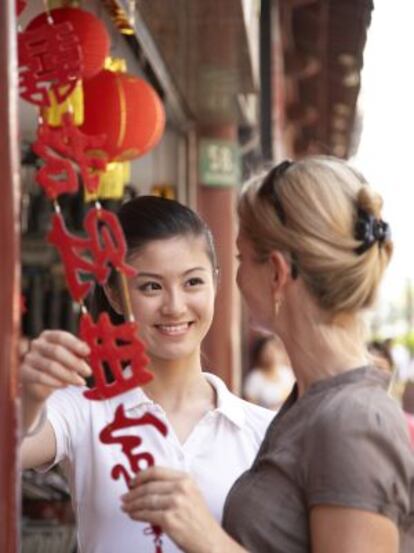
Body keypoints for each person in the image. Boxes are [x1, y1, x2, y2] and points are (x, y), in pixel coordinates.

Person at [121, 156, 414, 553]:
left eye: (241, 258)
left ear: (276, 273)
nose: (237, 278)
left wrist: (208, 540)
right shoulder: (312, 405)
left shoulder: (352, 420)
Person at [20, 196, 274, 553]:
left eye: (192, 283)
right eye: (150, 286)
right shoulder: (85, 411)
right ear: (115, 294)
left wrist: (210, 543)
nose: (174, 306)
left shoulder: (265, 432)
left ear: (216, 282)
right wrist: (30, 399)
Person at [244, 334, 294, 410]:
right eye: (268, 351)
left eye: (275, 350)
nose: (272, 355)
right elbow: (251, 406)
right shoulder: (255, 378)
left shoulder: (287, 374)